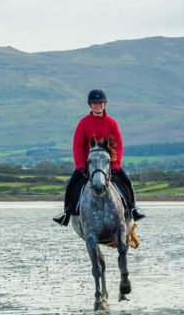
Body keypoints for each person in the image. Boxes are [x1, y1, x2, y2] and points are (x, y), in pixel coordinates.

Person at [53, 89, 146, 227]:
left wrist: (115, 165)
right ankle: (66, 214)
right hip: (87, 165)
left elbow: (119, 145)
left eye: (100, 103)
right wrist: (81, 166)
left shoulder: (112, 123)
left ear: (104, 104)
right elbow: (77, 146)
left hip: (108, 165)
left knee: (127, 182)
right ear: (90, 105)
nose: (98, 106)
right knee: (71, 186)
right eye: (95, 104)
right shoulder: (83, 123)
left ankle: (133, 209)